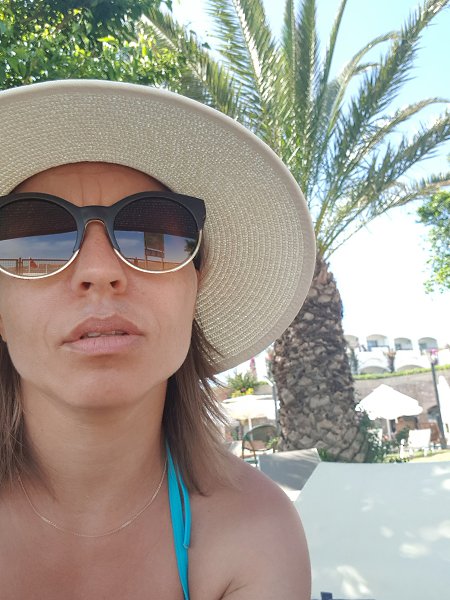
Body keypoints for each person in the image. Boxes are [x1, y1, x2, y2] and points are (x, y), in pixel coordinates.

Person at [0, 80, 315, 599]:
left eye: (156, 236)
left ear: (195, 288)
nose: (99, 272)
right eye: (34, 239)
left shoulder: (256, 530)